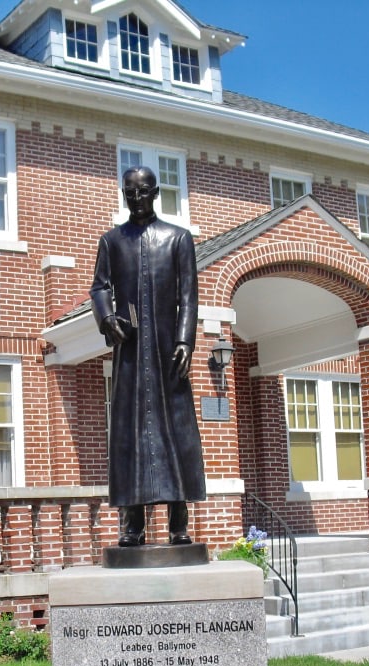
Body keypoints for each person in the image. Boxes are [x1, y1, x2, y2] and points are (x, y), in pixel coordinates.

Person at [90, 166, 206, 546]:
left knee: (174, 433)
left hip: (166, 350)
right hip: (130, 353)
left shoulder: (178, 239)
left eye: (142, 192)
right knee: (130, 436)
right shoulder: (112, 241)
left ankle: (178, 524)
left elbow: (189, 297)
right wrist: (108, 319)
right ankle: (133, 525)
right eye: (129, 193)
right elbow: (99, 288)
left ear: (155, 193)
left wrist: (186, 342)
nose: (135, 199)